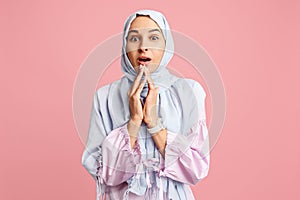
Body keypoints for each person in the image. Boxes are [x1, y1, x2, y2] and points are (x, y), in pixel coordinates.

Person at [81, 9, 210, 200]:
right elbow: (102, 173)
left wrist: (154, 124)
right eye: (134, 39)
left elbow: (196, 169)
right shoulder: (104, 97)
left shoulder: (189, 92)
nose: (143, 47)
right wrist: (133, 122)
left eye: (154, 38)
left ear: (167, 45)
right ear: (124, 46)